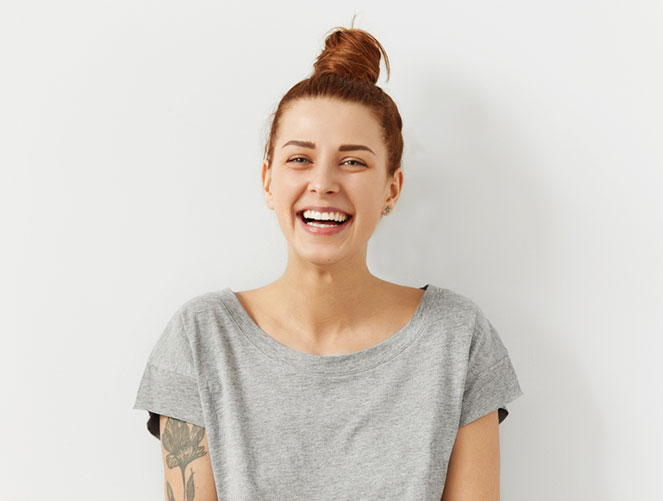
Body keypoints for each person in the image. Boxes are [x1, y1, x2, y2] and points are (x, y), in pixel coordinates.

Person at [133, 24, 524, 501]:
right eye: (299, 159)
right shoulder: (201, 338)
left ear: (392, 189)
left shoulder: (457, 337)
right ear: (268, 180)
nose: (323, 183)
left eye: (354, 162)